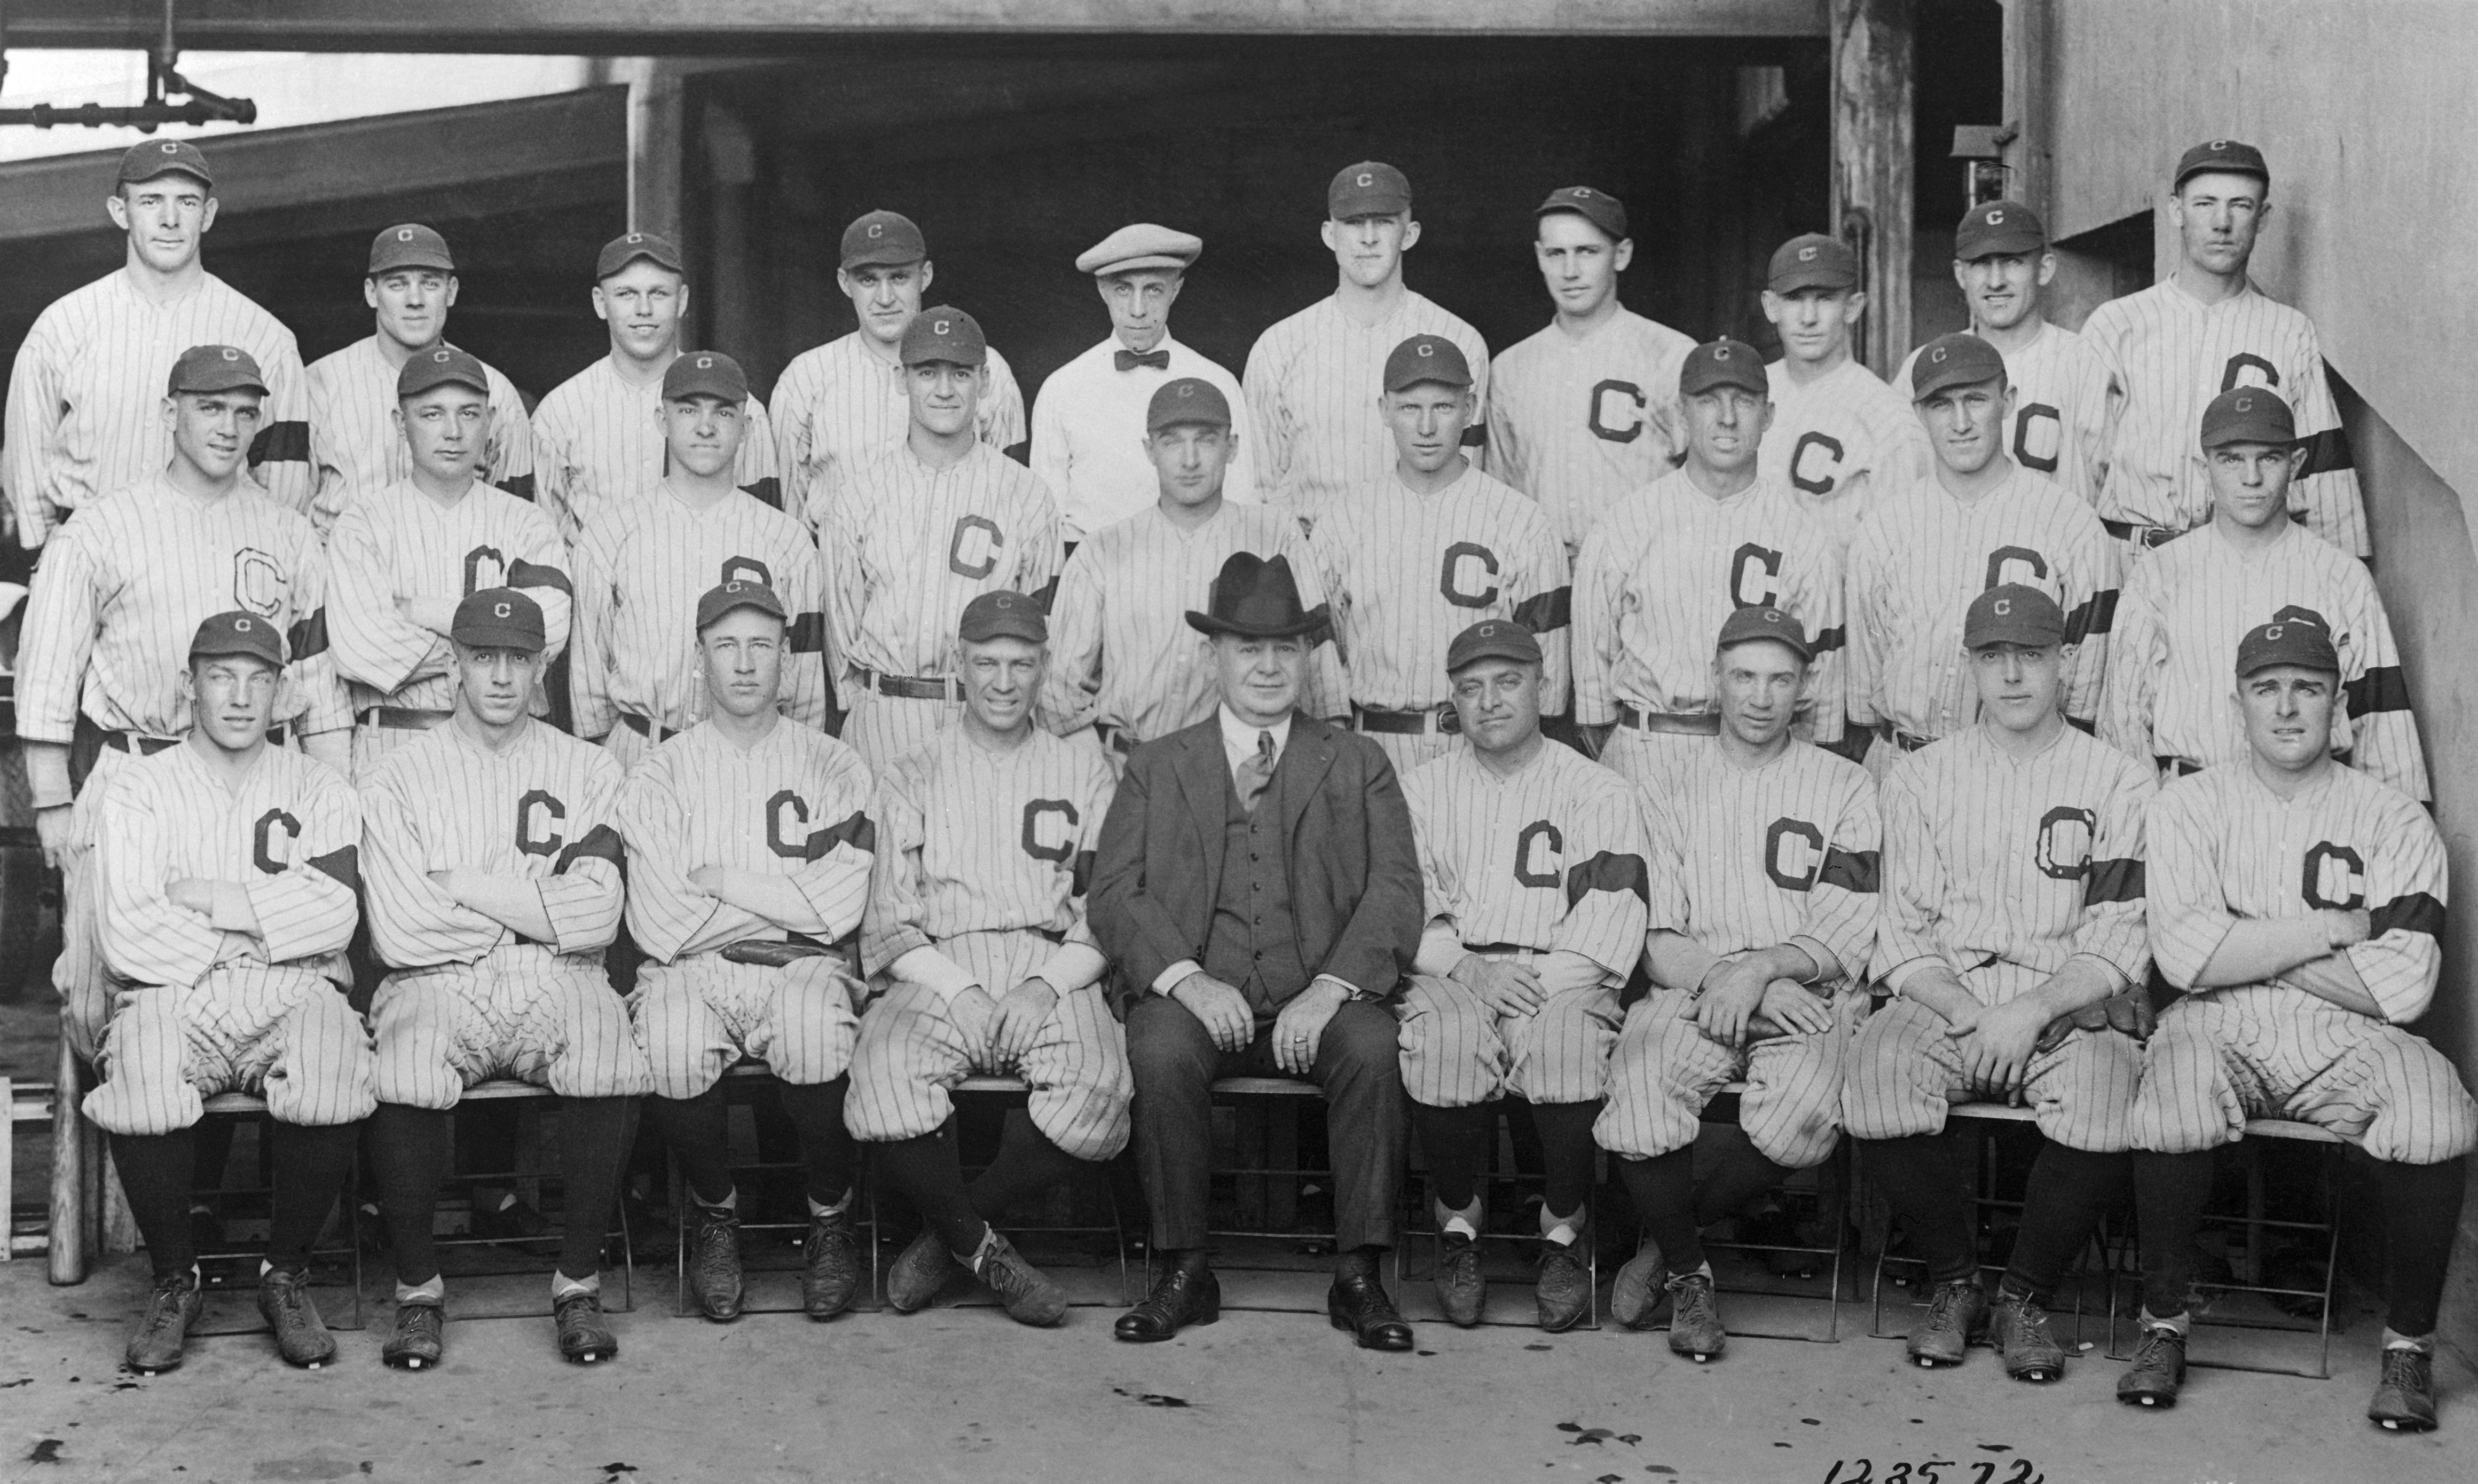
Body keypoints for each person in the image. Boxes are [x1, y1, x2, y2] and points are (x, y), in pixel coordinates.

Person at [2122, 618, 2470, 1430]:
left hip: (2348, 1036)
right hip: (2218, 1023)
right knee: (2170, 1098)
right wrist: (2324, 930)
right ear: (2237, 701)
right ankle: (2162, 1328)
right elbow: (2183, 962)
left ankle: (2409, 1353)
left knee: (2438, 1110)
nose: (2286, 709)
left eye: (2306, 689)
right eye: (2265, 689)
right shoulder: (2186, 806)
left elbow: (2403, 986)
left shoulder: (2394, 819)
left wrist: (2243, 939)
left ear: (2338, 704)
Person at [1092, 552, 1423, 1349]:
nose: (1268, 666)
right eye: (1248, 648)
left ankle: (1359, 1276)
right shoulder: (1158, 764)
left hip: (1318, 993)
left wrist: (1331, 989)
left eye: (1284, 649)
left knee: (1373, 1048)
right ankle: (1182, 1268)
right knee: (1161, 1048)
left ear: (1308, 657)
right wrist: (1187, 981)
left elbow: (1395, 893)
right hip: (1202, 990)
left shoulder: (1356, 761)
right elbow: (1115, 893)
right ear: (1215, 658)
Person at [1842, 586, 2153, 1383]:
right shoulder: (1919, 777)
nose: (2013, 675)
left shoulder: (2118, 780)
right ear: (1970, 668)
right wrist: (1978, 1016)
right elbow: (1903, 937)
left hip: (2065, 993)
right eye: (1993, 657)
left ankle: (2025, 1296)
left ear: (2067, 663)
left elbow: (2118, 936)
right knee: (1873, 1081)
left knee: (2109, 1098)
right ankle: (1955, 1284)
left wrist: (2031, 1011)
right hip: (1951, 991)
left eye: (2032, 655)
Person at [18, 344, 350, 1066]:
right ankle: (116, 1175)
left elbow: (318, 685)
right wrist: (50, 798)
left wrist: (336, 795)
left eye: (244, 412)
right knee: (97, 994)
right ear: (171, 413)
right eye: (209, 408)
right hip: (135, 771)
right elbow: (49, 668)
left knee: (271, 980)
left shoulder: (289, 534)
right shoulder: (103, 526)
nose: (228, 428)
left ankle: (265, 1170)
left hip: (258, 786)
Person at [358, 589, 652, 1369]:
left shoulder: (589, 769)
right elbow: (399, 928)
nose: (498, 677)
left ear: (541, 667)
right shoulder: (397, 774)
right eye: (482, 657)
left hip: (552, 979)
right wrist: (536, 910)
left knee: (606, 1042)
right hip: (434, 978)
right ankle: (418, 1292)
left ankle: (577, 1283)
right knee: (403, 1063)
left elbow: (598, 917)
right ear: (454, 664)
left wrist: (459, 885)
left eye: (516, 659)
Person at [86, 612, 371, 1375]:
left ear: (281, 690)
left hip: (293, 989)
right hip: (172, 992)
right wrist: (259, 927)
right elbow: (127, 931)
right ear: (190, 685)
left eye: (259, 678)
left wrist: (212, 899)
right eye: (221, 676)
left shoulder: (321, 786)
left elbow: (337, 914)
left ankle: (285, 1272)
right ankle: (176, 1277)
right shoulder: (139, 787)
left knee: (337, 1058)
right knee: (141, 1068)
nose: (241, 697)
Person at [1599, 606, 1878, 1361]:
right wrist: (1733, 977)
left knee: (1804, 1112)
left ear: (1805, 686)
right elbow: (1656, 940)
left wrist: (1764, 970)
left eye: (1780, 678)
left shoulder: (1847, 784)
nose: (1761, 696)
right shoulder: (1663, 784)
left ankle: (1664, 1246)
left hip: (1804, 993)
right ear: (1715, 678)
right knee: (1640, 1090)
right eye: (1744, 676)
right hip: (1695, 987)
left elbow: (1849, 926)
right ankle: (1692, 1274)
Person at [846, 590, 1123, 1327]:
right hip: (940, 963)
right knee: (882, 1075)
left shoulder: (1085, 770)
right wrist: (960, 990)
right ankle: (989, 1253)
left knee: (1101, 1087)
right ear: (958, 666)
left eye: (1022, 664)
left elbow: (1106, 913)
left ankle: (950, 1240)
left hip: (1051, 962)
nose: (1004, 682)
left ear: (1045, 669)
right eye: (987, 663)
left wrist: (1043, 985)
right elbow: (889, 919)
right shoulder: (913, 770)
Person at [618, 581, 877, 1323]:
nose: (743, 664)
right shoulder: (660, 769)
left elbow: (837, 912)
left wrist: (724, 885)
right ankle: (716, 1213)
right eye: (725, 645)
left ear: (787, 661)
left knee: (810, 1031)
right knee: (668, 1039)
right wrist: (782, 900)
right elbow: (661, 920)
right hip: (688, 970)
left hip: (802, 965)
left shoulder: (834, 764)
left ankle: (830, 1216)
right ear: (700, 659)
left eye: (761, 645)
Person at [1397, 619, 1647, 1331]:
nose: (1490, 702)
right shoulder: (1420, 789)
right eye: (1472, 688)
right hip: (1457, 963)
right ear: (1453, 700)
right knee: (1443, 1040)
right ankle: (1458, 1227)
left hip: (1562, 969)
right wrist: (1470, 971)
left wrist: (1529, 983)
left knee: (1563, 1042)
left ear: (1542, 685)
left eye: (1508, 682)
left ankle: (1564, 1233)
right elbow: (1403, 909)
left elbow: (1612, 917)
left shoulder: (1597, 788)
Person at [2103, 388, 2426, 798]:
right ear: (2203, 468)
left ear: (2295, 465)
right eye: (2231, 458)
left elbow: (2384, 729)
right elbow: (2123, 722)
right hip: (2192, 805)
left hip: (2313, 804)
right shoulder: (2158, 574)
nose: (2251, 477)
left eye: (2268, 458)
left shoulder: (2341, 575)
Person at [6, 140, 311, 547]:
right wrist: (45, 556)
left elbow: (285, 484)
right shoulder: (63, 325)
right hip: (88, 554)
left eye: (187, 203)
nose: (170, 220)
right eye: (151, 201)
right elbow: (27, 460)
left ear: (208, 214)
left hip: (212, 555)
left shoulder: (265, 336)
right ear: (120, 211)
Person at [1573, 339, 1844, 795]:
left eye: (1743, 401)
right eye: (1707, 401)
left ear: (1769, 415)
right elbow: (1591, 690)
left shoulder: (1804, 537)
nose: (1727, 418)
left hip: (1761, 761)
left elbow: (1824, 699)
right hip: (1646, 752)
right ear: (1681, 413)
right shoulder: (1626, 523)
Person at [2082, 140, 2366, 559]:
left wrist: (2343, 578)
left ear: (2262, 216)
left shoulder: (2289, 331)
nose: (2222, 222)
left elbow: (2323, 476)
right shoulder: (2115, 325)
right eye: (2204, 204)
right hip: (2130, 559)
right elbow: (2080, 468)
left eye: (2240, 205)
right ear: (2176, 210)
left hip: (2250, 562)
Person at [1848, 333, 2119, 766]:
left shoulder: (2071, 524)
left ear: (2007, 401)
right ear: (1919, 413)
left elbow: (2085, 692)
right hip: (1902, 762)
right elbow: (1865, 695)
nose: (1960, 423)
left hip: (2023, 769)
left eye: (1975, 400)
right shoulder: (1882, 529)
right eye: (1941, 405)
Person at [1044, 377, 1342, 761]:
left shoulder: (1274, 534)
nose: (1189, 460)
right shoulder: (1102, 550)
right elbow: (1059, 692)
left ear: (1231, 447)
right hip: (1130, 769)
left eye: (1205, 439)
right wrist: (1098, 771)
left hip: (1249, 773)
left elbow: (1319, 670)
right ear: (1149, 450)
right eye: (1172, 442)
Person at [1311, 335, 1570, 773]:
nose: (1426, 427)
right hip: (1369, 747)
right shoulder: (1342, 519)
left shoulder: (1522, 521)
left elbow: (1549, 684)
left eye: (1443, 408)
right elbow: (1320, 660)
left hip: (1482, 750)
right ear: (1384, 410)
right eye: (1410, 407)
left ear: (1469, 410)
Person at [821, 307, 1064, 771]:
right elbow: (841, 633)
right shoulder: (858, 494)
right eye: (928, 372)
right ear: (900, 379)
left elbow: (1043, 625)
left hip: (986, 715)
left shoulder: (1027, 495)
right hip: (884, 715)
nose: (945, 390)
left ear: (985, 382)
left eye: (961, 373)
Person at [571, 351, 829, 770]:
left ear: (746, 428)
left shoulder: (786, 538)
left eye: (723, 413)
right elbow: (588, 684)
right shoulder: (610, 533)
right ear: (662, 420)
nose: (706, 427)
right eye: (688, 410)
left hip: (751, 755)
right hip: (640, 749)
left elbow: (805, 684)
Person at [328, 348, 572, 777]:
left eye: (469, 413)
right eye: (432, 414)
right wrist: (498, 650)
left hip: (507, 749)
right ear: (401, 424)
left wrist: (422, 612)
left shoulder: (529, 523)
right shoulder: (361, 525)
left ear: (490, 420)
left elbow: (549, 628)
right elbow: (358, 649)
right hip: (396, 742)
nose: (454, 431)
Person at [1244, 162, 1490, 527]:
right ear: (1329, 233)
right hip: (1308, 560)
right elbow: (1261, 488)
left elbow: (1469, 481)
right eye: (1354, 223)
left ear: (1409, 234)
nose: (1368, 237)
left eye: (1384, 222)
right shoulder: (1279, 346)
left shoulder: (1459, 341)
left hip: (1421, 553)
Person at [772, 210, 1028, 533]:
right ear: (844, 283)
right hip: (840, 572)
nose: (885, 298)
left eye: (899, 278)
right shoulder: (805, 378)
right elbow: (791, 521)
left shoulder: (984, 367)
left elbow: (1013, 497)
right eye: (868, 280)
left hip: (960, 570)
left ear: (926, 276)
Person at [1485, 186, 1696, 555]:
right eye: (1556, 253)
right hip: (1541, 577)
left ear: (1621, 254)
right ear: (1539, 256)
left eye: (1587, 252)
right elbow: (1497, 491)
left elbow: (1705, 484)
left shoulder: (1671, 355)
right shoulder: (1509, 368)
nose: (1570, 271)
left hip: (1643, 570)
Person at [532, 231, 780, 542]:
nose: (644, 309)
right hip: (593, 587)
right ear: (600, 302)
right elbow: (543, 542)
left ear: (682, 301)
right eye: (626, 294)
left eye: (659, 293)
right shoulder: (560, 411)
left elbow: (769, 531)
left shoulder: (736, 406)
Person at [1030, 223, 1257, 544]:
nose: (1138, 310)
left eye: (1153, 290)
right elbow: (1045, 519)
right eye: (1124, 289)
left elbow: (1242, 503)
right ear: (1103, 291)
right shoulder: (1062, 388)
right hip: (1093, 571)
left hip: (1195, 565)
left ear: (1176, 291)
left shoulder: (1218, 382)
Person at [304, 223, 534, 534]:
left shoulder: (495, 392)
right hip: (343, 573)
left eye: (430, 283)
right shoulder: (319, 384)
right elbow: (288, 517)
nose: (415, 300)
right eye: (397, 285)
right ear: (372, 294)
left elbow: (516, 518)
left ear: (451, 292)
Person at [1891, 201, 2108, 504]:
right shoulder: (1922, 365)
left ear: (2044, 269)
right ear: (1960, 274)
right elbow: (1902, 483)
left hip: (2052, 543)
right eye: (1981, 264)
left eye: (2013, 262)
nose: (1996, 281)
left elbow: (2109, 487)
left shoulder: (2086, 361)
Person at [1756, 232, 1928, 552]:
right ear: (1770, 306)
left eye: (1825, 298)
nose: (1809, 318)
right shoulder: (1746, 395)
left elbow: (1896, 554)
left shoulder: (1890, 418)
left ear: (1852, 307)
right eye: (1794, 298)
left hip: (1837, 599)